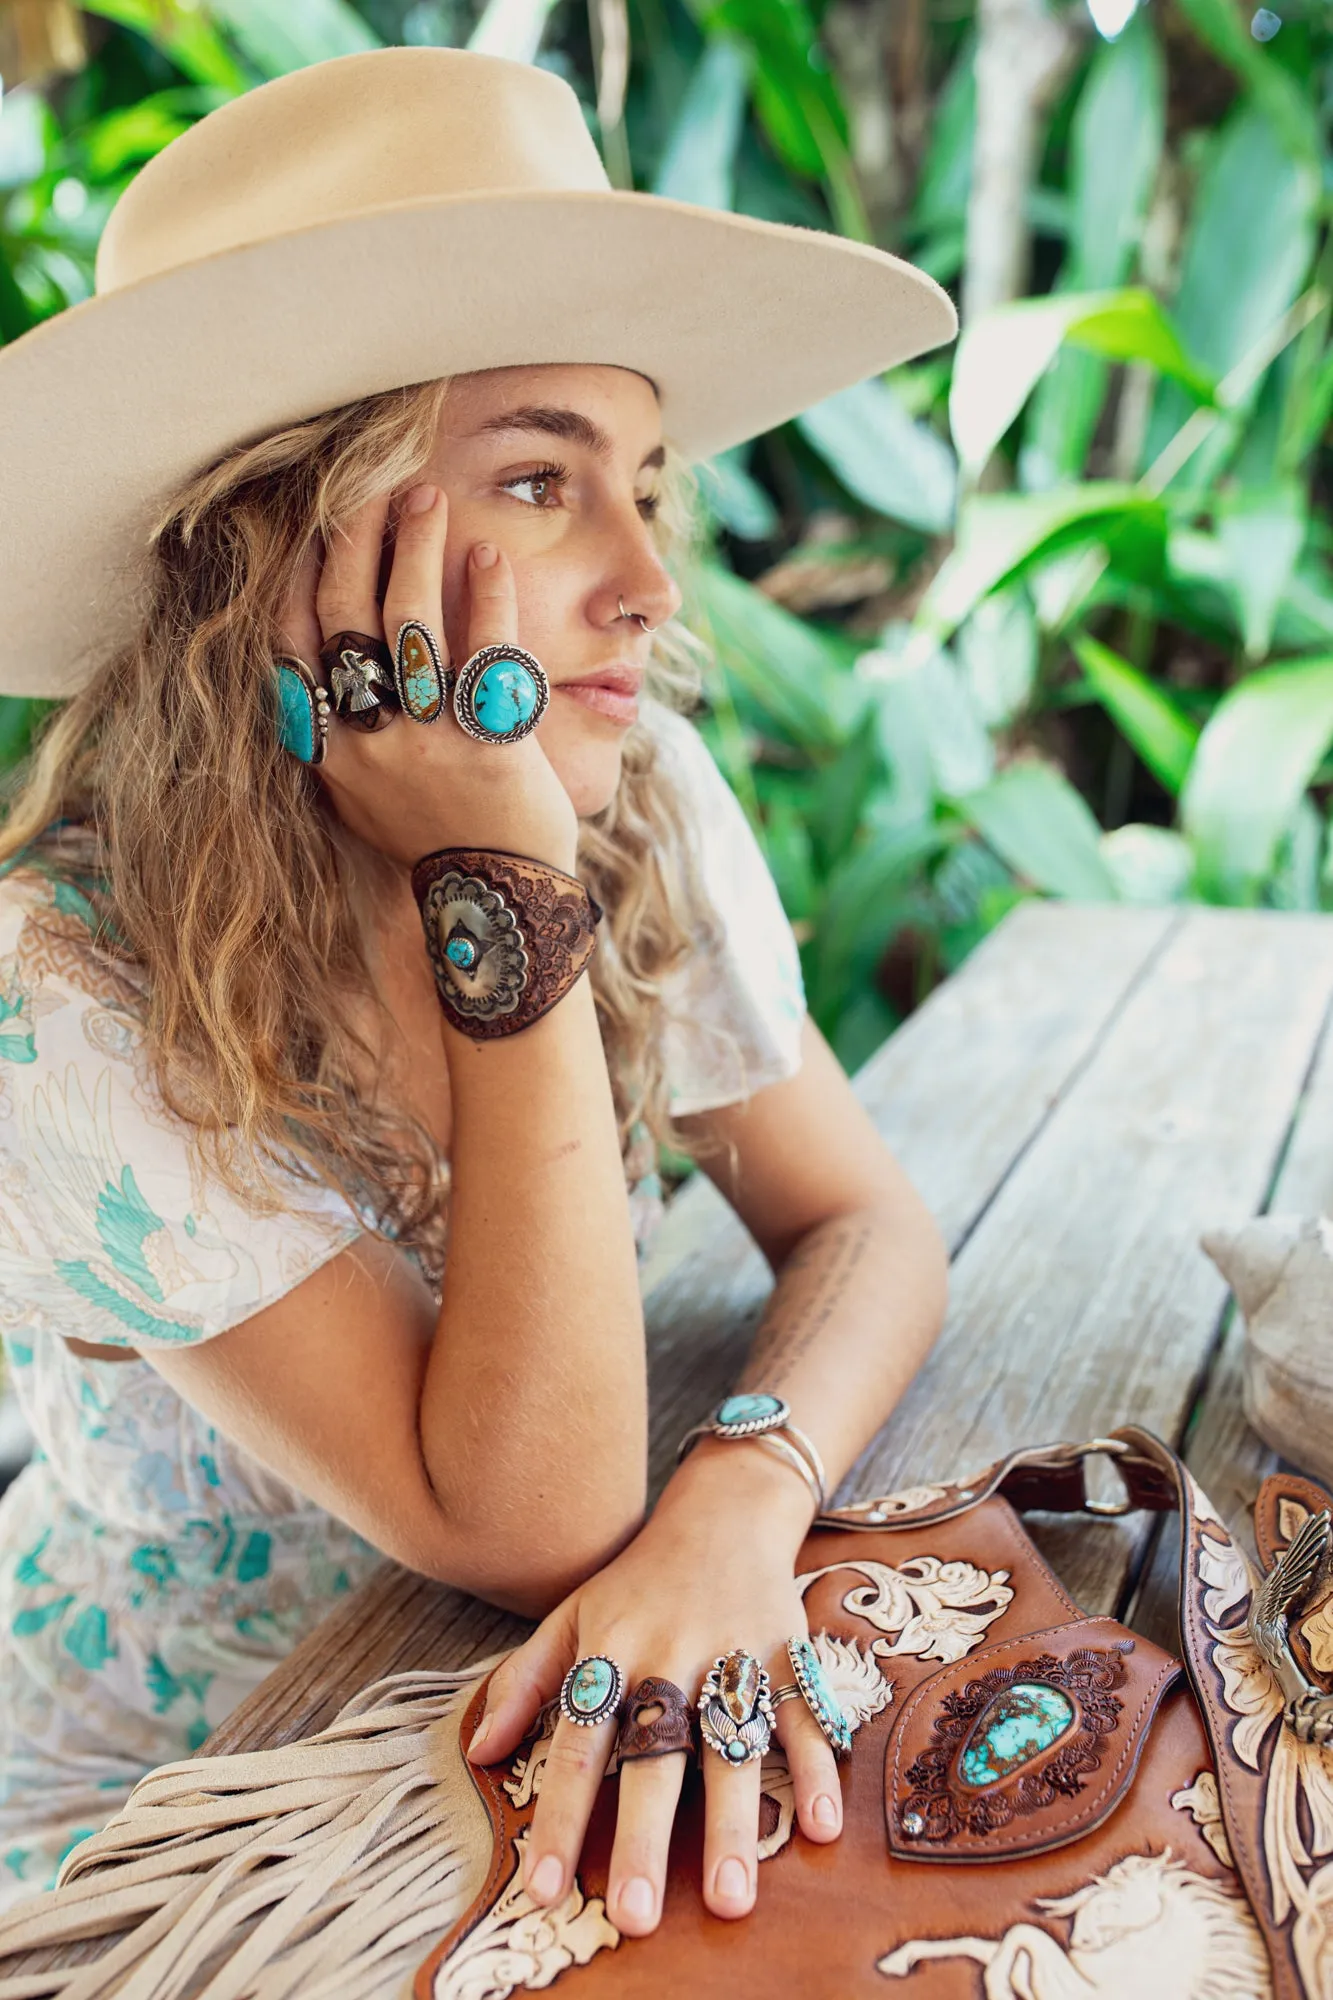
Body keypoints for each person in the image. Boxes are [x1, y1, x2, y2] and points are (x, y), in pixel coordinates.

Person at [0, 44, 956, 1937]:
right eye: (541, 480)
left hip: (525, 1747)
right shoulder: (62, 989)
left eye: (649, 487)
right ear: (301, 564)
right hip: (184, 1826)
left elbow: (861, 1218)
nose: (648, 585)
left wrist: (742, 1505)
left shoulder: (639, 795)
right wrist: (498, 887)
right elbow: (530, 1518)